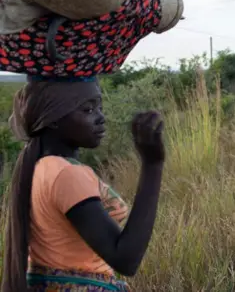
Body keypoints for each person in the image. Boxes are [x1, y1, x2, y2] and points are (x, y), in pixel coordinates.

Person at [1, 78, 165, 292]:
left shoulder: (41, 167)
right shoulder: (67, 175)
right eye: (88, 110)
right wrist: (153, 166)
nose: (101, 118)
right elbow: (126, 259)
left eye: (100, 107)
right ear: (53, 119)